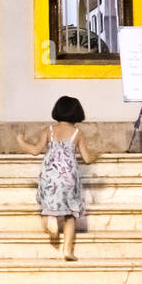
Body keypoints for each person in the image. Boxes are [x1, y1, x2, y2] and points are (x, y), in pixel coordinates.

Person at [17, 96, 95, 261]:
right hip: (69, 177)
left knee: (48, 206)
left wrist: (21, 141)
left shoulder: (49, 130)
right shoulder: (77, 133)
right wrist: (98, 155)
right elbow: (87, 158)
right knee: (70, 215)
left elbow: (35, 150)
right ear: (77, 113)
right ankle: (67, 250)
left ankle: (50, 219)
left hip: (50, 176)